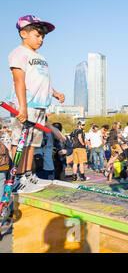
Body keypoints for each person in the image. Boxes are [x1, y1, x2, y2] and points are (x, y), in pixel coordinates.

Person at [7, 15, 65, 194]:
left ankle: (27, 175)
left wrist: (55, 93)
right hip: (25, 104)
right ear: (23, 33)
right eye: (37, 35)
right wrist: (22, 107)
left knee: (32, 143)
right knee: (20, 142)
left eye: (42, 37)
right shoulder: (19, 53)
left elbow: (41, 79)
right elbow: (19, 81)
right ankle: (16, 177)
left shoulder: (39, 56)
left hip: (40, 106)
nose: (40, 39)